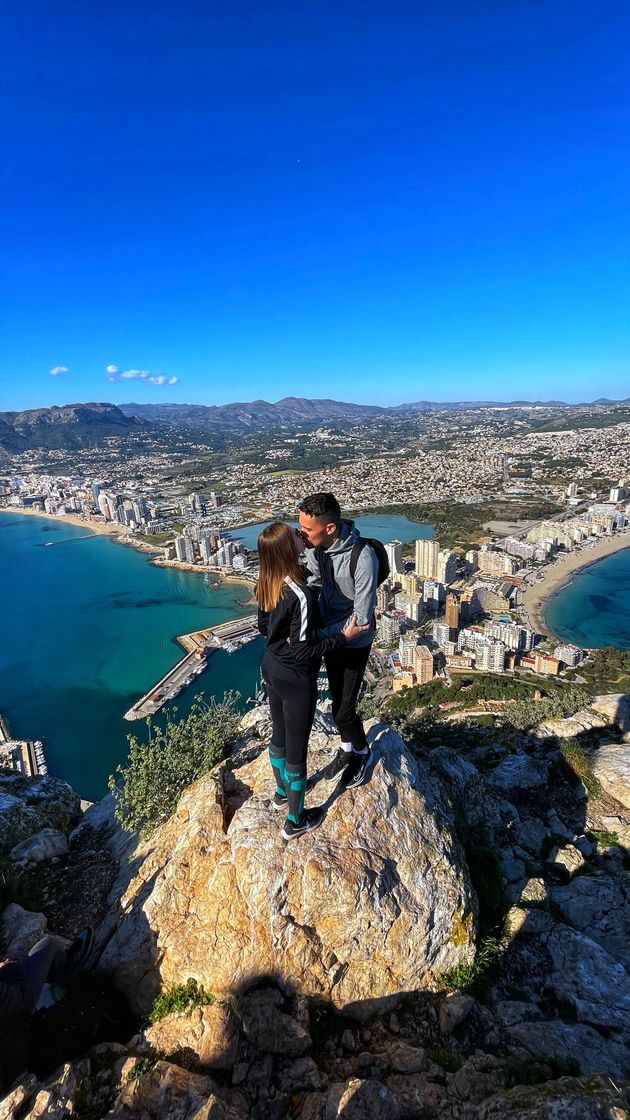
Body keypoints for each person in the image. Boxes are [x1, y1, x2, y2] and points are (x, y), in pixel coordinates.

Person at [256, 522, 368, 840]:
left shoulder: (267, 581)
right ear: (288, 549)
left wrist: (284, 642)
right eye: (294, 533)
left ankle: (281, 793)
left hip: (271, 667)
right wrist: (344, 638)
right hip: (295, 678)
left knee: (278, 734)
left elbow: (263, 625)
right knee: (297, 750)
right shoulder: (299, 594)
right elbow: (306, 651)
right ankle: (295, 820)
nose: (299, 532)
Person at [298, 492, 378, 789]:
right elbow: (316, 585)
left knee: (345, 711)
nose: (302, 535)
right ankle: (346, 748)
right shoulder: (316, 548)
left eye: (307, 530)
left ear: (329, 528)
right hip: (333, 638)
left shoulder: (362, 556)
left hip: (355, 642)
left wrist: (317, 634)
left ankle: (362, 752)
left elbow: (362, 617)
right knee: (335, 705)